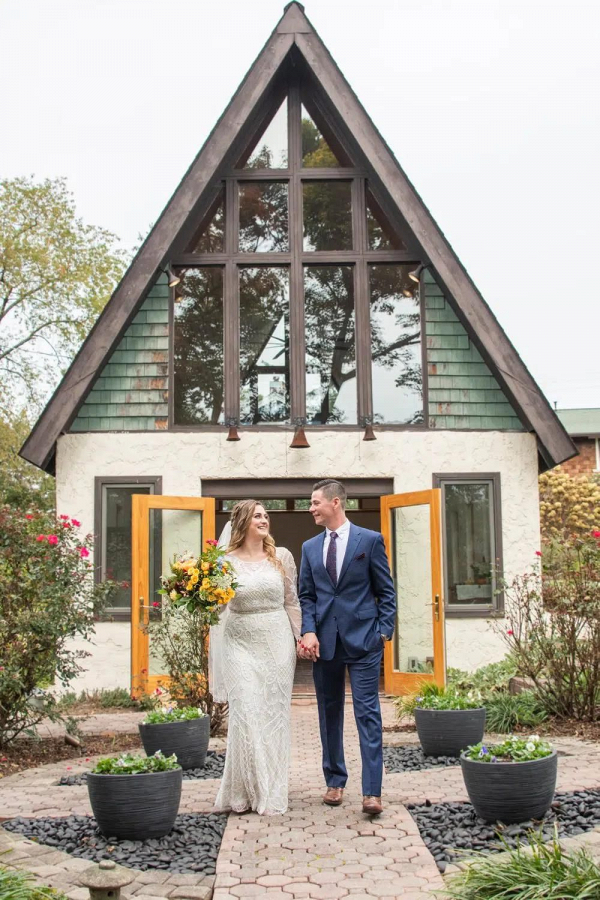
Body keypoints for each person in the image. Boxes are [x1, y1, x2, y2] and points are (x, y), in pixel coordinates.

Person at [298, 479, 396, 816]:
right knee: (329, 714)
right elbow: (306, 596)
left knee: (367, 714)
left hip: (364, 642)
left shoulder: (369, 540)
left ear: (335, 502)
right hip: (324, 644)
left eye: (314, 503)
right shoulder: (310, 547)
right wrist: (308, 630)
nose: (311, 509)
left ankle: (372, 792)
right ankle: (335, 781)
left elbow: (386, 591)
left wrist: (382, 632)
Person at [212, 500, 301, 816]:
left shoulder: (282, 558)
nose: (264, 520)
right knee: (245, 714)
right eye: (258, 516)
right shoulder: (224, 562)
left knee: (272, 716)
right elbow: (217, 607)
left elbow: (292, 601)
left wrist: (301, 636)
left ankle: (269, 788)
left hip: (276, 641)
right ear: (243, 523)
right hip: (238, 642)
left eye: (266, 515)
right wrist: (197, 594)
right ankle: (245, 789)